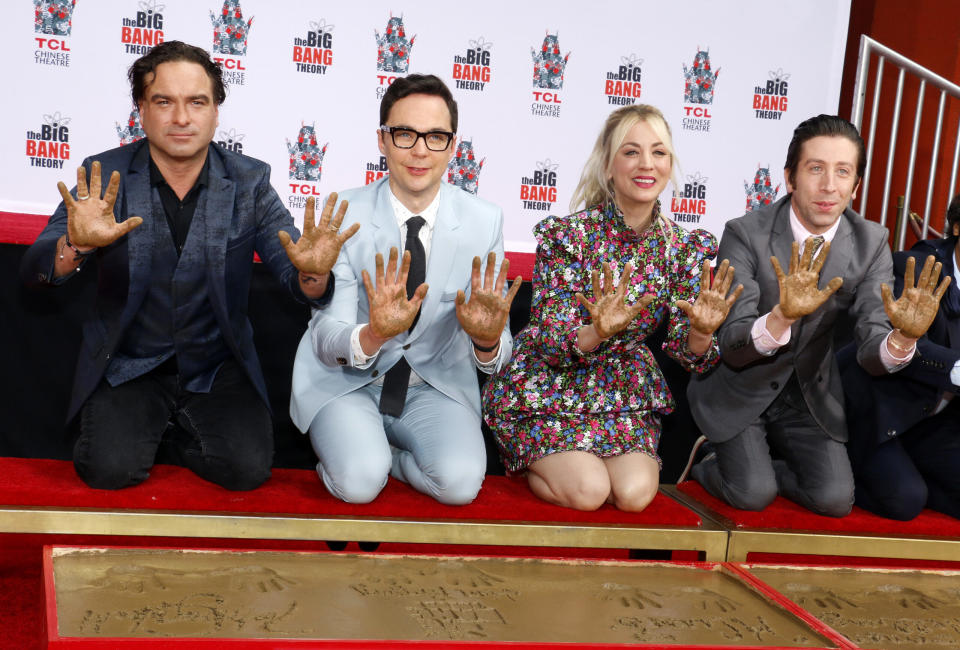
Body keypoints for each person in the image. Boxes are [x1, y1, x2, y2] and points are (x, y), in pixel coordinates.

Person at [20, 41, 356, 491]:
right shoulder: (104, 174)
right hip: (129, 363)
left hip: (216, 366)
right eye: (164, 102)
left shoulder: (249, 180)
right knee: (108, 470)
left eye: (197, 102)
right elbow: (35, 269)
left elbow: (291, 266)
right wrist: (74, 246)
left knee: (246, 472)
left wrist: (312, 273)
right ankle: (144, 429)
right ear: (141, 109)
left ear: (216, 111)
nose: (182, 118)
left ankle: (171, 437)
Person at [683, 114, 949, 516]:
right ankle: (711, 465)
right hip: (740, 385)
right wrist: (781, 318)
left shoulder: (871, 240)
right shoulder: (745, 233)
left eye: (843, 172)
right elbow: (733, 344)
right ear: (790, 178)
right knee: (753, 495)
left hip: (810, 392)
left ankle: (766, 470)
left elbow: (871, 346)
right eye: (816, 169)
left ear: (856, 186)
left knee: (835, 501)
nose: (829, 186)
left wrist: (903, 340)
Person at [482, 104, 741, 512]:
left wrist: (703, 332)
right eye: (631, 151)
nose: (646, 164)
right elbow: (551, 342)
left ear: (669, 166)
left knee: (635, 496)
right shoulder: (568, 237)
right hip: (553, 384)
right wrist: (597, 330)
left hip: (623, 391)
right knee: (589, 491)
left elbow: (686, 352)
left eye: (659, 153)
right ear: (608, 166)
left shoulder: (682, 248)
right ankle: (527, 463)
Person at [289, 74, 519, 505]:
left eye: (435, 136)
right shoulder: (344, 212)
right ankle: (359, 462)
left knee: (460, 485)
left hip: (435, 386)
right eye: (405, 134)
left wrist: (487, 341)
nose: (419, 150)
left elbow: (499, 349)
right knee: (358, 484)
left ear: (453, 146)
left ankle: (389, 460)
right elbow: (325, 338)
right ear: (382, 140)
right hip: (346, 381)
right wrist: (373, 333)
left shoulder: (483, 221)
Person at [839, 194, 960, 520]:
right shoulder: (916, 266)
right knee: (905, 501)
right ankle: (802, 464)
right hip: (880, 409)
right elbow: (894, 343)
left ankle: (917, 478)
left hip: (935, 421)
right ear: (957, 227)